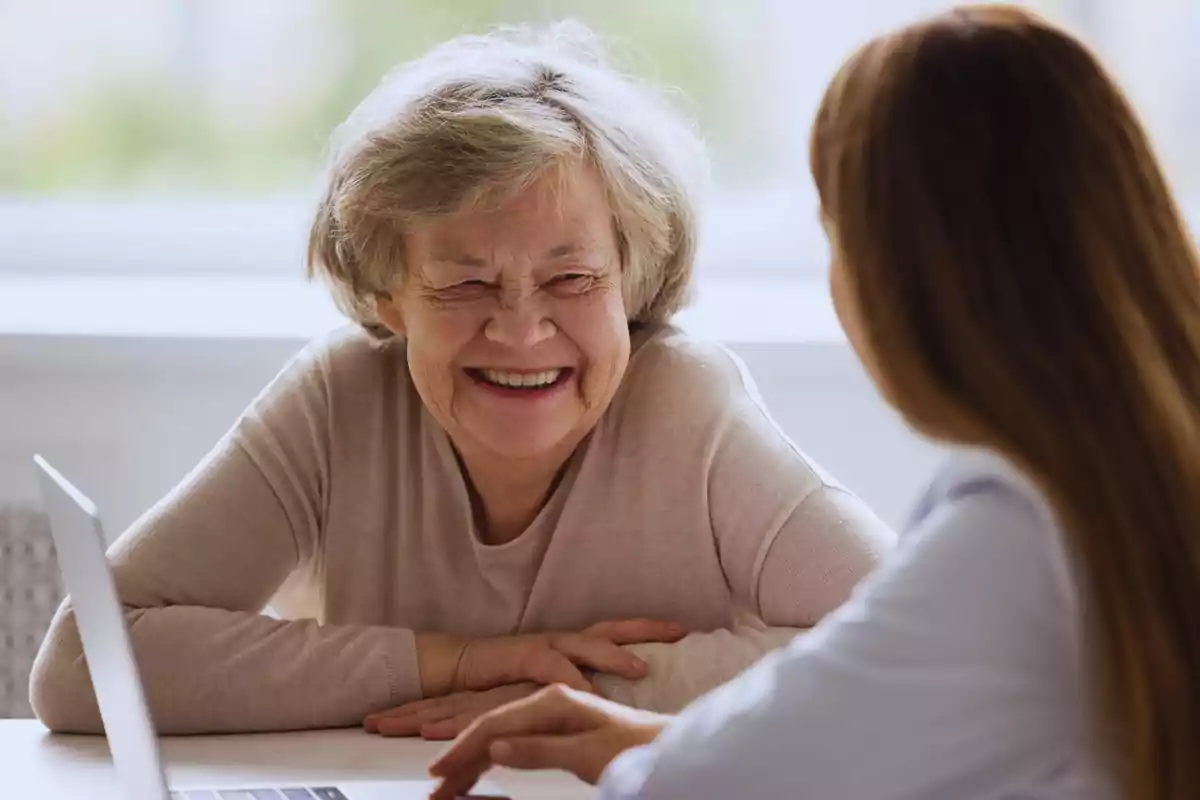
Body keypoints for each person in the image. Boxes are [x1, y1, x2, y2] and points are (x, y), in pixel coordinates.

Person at [28, 22, 894, 737]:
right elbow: (78, 671)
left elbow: (917, 641)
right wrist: (454, 662)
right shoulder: (339, 402)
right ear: (388, 295)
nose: (521, 329)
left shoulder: (685, 406)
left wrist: (584, 693)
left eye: (572, 279)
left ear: (632, 280)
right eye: (465, 284)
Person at [427, 6, 1200, 800]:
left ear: (905, 273)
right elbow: (886, 732)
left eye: (835, 231)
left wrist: (656, 757)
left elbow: (689, 791)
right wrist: (655, 739)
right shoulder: (1134, 485)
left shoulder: (1015, 533)